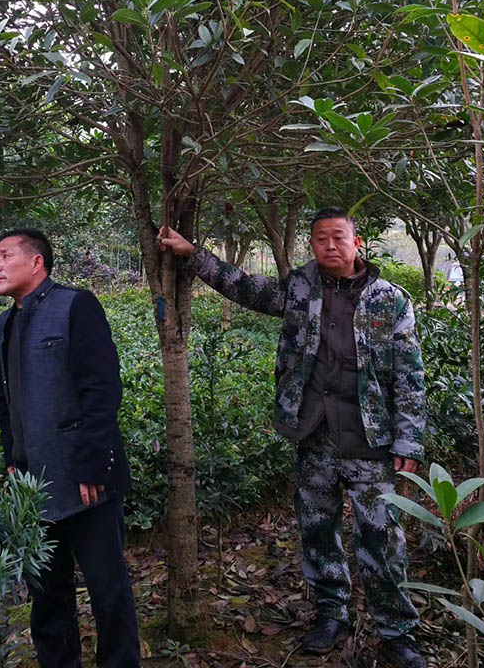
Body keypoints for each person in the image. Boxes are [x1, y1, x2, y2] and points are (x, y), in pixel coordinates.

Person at [159, 207, 426, 668]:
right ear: (312, 245)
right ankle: (332, 615)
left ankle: (396, 632)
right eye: (320, 238)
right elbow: (244, 287)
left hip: (370, 438)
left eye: (338, 237)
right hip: (314, 432)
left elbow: (410, 375)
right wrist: (192, 254)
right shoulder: (299, 288)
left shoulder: (390, 300)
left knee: (381, 538)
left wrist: (409, 441)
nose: (329, 245)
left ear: (357, 242)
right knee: (317, 530)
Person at [0, 228, 141, 668]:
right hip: (33, 485)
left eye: (5, 256)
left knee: (108, 590)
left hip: (85, 481)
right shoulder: (2, 326)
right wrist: (13, 459)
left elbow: (102, 389)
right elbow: (6, 400)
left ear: (36, 262)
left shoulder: (76, 305)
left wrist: (92, 464)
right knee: (47, 595)